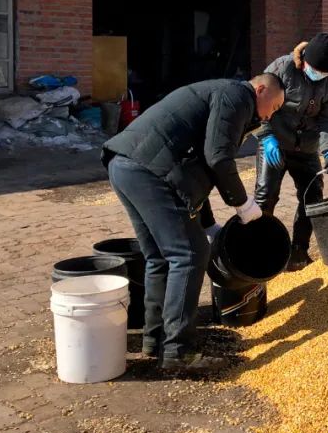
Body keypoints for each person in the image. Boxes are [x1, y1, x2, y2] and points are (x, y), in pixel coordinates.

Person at [102, 74, 285, 371]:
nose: (269, 115)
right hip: (150, 170)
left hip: (126, 165)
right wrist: (243, 203)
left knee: (160, 257)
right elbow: (218, 159)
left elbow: (198, 167)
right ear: (260, 89)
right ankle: (178, 352)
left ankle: (155, 339)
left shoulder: (222, 94)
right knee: (189, 255)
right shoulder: (238, 97)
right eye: (273, 106)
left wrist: (209, 223)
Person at [255, 33, 328, 271]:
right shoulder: (282, 68)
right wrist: (267, 137)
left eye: (322, 72)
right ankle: (260, 254)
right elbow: (256, 101)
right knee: (266, 196)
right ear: (304, 58)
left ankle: (298, 253)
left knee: (312, 196)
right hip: (275, 141)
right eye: (313, 69)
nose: (317, 75)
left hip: (306, 147)